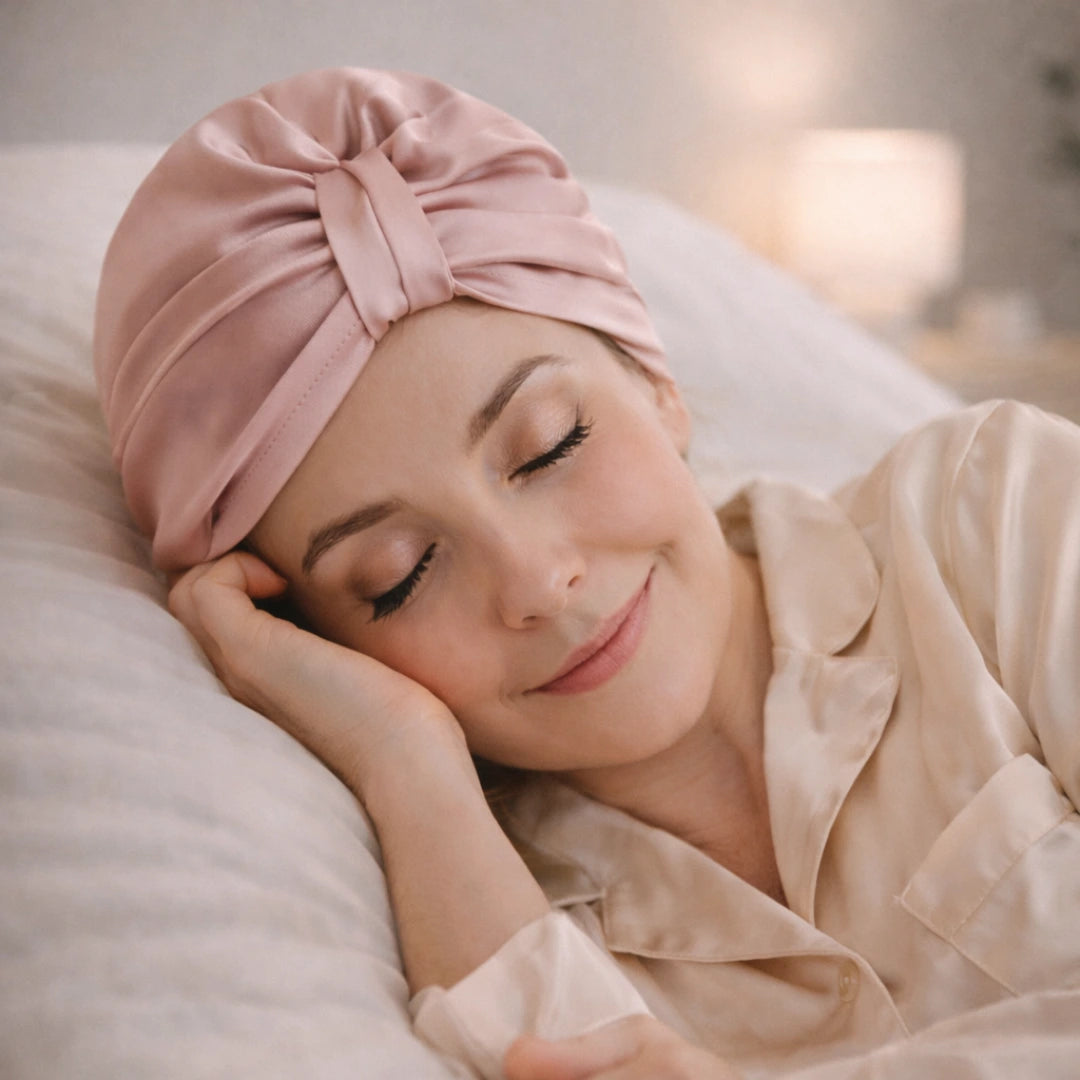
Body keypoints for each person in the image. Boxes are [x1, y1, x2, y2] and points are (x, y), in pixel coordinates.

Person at [93, 68, 1080, 1080]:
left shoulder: (989, 511)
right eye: (398, 576)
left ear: (655, 383)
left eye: (549, 447)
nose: (535, 580)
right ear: (319, 632)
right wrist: (402, 757)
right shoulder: (477, 909)